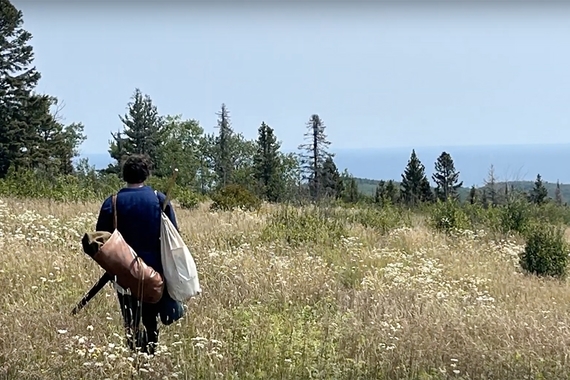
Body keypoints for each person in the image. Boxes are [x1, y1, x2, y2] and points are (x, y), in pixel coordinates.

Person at [95, 154, 184, 355]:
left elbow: (102, 241)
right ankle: (150, 355)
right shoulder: (159, 199)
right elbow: (174, 235)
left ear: (125, 175)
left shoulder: (113, 202)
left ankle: (136, 358)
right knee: (151, 318)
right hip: (155, 272)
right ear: (146, 174)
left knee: (131, 320)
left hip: (123, 273)